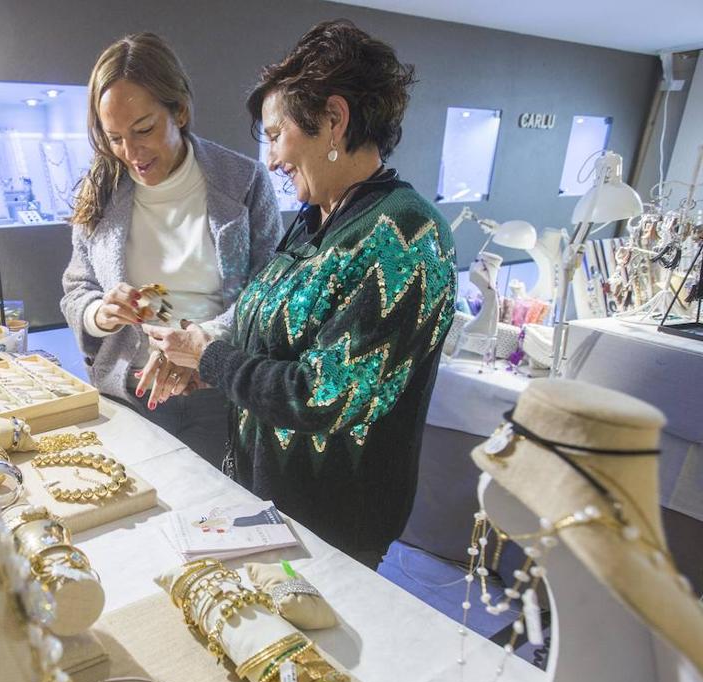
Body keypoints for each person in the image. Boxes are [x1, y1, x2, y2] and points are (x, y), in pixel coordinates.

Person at [140, 20, 457, 568]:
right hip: (269, 502)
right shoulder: (316, 217)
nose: (269, 160)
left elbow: (323, 396)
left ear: (333, 120)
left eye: (273, 134)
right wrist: (197, 355)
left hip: (333, 523)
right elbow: (263, 325)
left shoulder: (405, 234)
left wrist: (210, 357)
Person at [60, 32, 282, 468]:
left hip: (215, 391)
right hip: (128, 389)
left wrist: (199, 347)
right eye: (114, 138)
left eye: (143, 129)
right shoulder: (101, 190)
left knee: (211, 518)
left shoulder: (244, 181)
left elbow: (267, 295)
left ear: (179, 111)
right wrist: (99, 314)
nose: (131, 153)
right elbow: (76, 288)